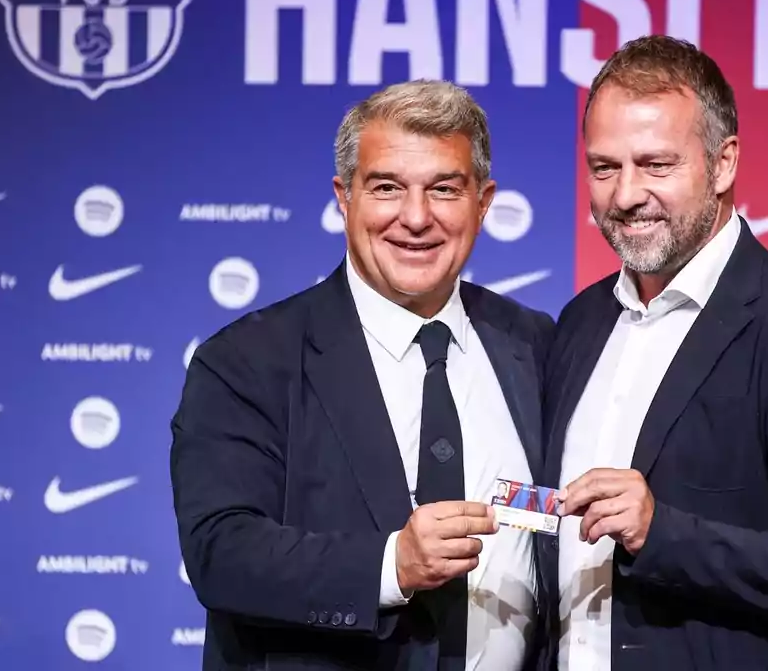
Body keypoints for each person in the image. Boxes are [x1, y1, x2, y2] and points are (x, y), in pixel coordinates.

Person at [169, 80, 554, 671]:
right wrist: (391, 565)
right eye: (387, 187)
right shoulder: (246, 361)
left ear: (483, 202)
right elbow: (221, 552)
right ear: (343, 197)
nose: (416, 217)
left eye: (444, 189)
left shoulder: (537, 344)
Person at [541, 36, 768, 670]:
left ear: (723, 164)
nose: (625, 196)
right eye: (605, 167)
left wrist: (659, 531)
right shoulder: (581, 321)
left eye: (656, 165)